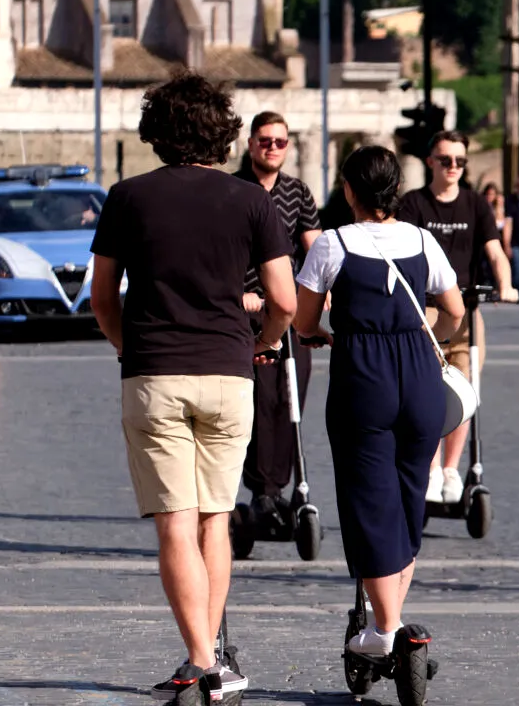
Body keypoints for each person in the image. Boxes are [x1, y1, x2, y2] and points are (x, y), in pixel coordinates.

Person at [89, 72, 297, 704]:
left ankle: (203, 659)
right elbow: (284, 301)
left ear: (157, 131)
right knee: (216, 518)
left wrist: (128, 345)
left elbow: (102, 297)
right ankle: (210, 662)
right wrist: (258, 342)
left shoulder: (127, 198)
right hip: (229, 373)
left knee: (175, 523)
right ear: (224, 132)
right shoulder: (252, 202)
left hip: (154, 371)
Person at [292, 145, 464, 655]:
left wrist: (323, 335)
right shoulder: (422, 240)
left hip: (362, 377)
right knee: (411, 495)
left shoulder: (331, 243)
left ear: (349, 190)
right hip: (419, 375)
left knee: (369, 500)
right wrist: (419, 331)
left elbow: (303, 320)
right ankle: (391, 620)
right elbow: (453, 311)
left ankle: (387, 631)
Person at [396, 130, 518, 505]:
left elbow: (495, 251)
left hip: (465, 308)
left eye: (460, 162)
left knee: (465, 390)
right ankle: (430, 469)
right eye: (446, 160)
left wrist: (506, 284)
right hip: (426, 310)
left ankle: (452, 470)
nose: (453, 167)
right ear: (431, 161)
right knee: (430, 392)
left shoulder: (475, 204)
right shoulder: (414, 204)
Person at [233, 111, 323, 528]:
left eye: (280, 142)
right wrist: (243, 296)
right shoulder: (233, 190)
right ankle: (261, 491)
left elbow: (316, 250)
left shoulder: (297, 193)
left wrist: (324, 296)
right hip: (245, 312)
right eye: (265, 140)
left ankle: (282, 489)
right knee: (257, 402)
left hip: (289, 313)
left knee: (290, 398)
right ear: (250, 144)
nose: (272, 147)